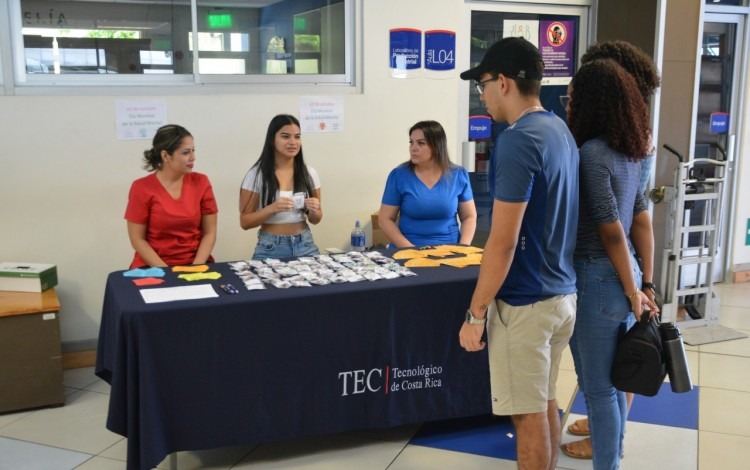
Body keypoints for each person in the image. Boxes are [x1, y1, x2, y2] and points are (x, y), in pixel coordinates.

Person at [457, 37, 579, 470]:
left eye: (483, 85)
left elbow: (502, 241)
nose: (482, 95)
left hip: (526, 302)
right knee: (543, 402)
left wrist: (475, 314)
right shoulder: (558, 129)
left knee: (527, 415)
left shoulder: (516, 140)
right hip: (562, 295)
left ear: (503, 82)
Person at [564, 40, 661, 459]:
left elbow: (611, 232)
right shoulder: (631, 153)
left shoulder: (591, 153)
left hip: (599, 278)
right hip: (625, 278)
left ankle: (609, 461)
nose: (568, 104)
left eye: (572, 98)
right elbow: (641, 220)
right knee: (610, 386)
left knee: (598, 390)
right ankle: (613, 453)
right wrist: (645, 284)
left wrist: (630, 291)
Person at [125, 124, 218, 269]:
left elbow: (210, 232)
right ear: (165, 156)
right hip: (153, 266)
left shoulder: (201, 182)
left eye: (193, 151)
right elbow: (137, 240)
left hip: (195, 264)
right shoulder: (141, 187)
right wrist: (167, 272)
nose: (193, 157)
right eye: (186, 152)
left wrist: (196, 268)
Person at [379, 120, 477, 248]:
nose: (413, 148)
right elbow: (385, 219)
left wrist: (463, 248)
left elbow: (469, 217)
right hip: (408, 249)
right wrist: (409, 249)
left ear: (436, 146)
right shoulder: (399, 176)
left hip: (450, 250)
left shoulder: (458, 175)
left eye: (421, 143)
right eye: (411, 142)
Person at [240, 114, 322, 260]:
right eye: (285, 136)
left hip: (305, 244)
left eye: (297, 137)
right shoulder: (256, 175)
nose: (293, 142)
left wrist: (314, 210)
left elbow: (316, 219)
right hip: (270, 247)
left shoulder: (309, 173)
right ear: (272, 139)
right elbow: (245, 222)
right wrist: (271, 208)